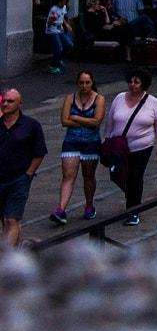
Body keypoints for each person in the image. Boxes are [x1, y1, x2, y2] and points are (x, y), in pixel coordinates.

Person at [105, 68, 157, 226]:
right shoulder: (119, 98)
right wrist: (107, 141)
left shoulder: (154, 103)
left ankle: (133, 210)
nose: (133, 85)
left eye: (136, 82)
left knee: (136, 176)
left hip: (142, 146)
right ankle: (130, 196)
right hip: (120, 146)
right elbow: (111, 121)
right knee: (122, 175)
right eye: (131, 82)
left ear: (143, 84)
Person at [49, 70, 103, 224]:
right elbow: (65, 121)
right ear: (77, 83)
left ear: (92, 83)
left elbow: (97, 121)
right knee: (68, 175)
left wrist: (76, 118)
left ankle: (89, 205)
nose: (84, 86)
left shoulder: (98, 99)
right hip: (71, 141)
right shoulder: (70, 98)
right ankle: (61, 209)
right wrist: (86, 121)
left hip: (91, 142)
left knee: (88, 175)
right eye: (81, 83)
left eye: (87, 82)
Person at [0, 88, 45, 247]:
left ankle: (6, 257)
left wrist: (29, 173)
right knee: (6, 219)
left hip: (19, 178)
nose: (5, 104)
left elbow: (39, 152)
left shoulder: (30, 125)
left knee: (11, 218)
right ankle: (18, 248)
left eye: (10, 101)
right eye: (4, 100)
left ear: (20, 104)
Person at [43, 0, 72, 74]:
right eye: (61, 2)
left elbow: (62, 18)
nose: (63, 4)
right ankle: (53, 66)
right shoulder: (54, 9)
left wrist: (67, 25)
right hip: (52, 31)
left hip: (60, 29)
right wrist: (54, 18)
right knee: (58, 48)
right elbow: (48, 22)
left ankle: (59, 59)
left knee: (69, 44)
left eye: (64, 2)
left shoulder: (64, 8)